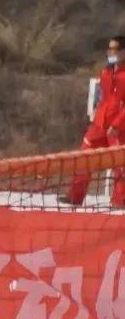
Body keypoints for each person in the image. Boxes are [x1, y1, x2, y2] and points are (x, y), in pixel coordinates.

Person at [64, 34, 125, 209]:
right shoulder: (106, 72)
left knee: (120, 166)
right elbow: (103, 99)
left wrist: (117, 124)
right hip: (99, 124)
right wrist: (98, 118)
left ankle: (120, 202)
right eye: (109, 49)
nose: (110, 52)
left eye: (114, 49)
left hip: (118, 128)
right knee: (84, 158)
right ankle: (74, 197)